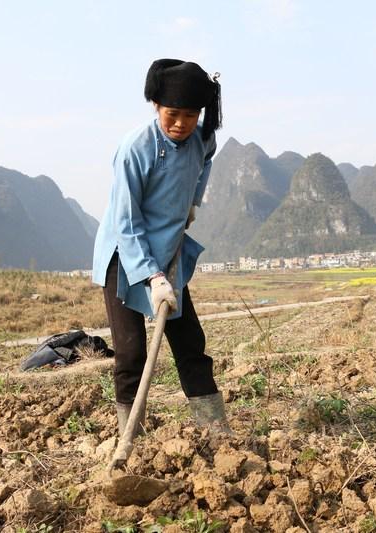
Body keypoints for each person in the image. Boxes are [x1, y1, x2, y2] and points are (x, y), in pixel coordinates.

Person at [92, 58, 229, 435]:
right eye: (173, 114)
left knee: (191, 345)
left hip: (168, 250)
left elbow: (205, 164)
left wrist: (192, 204)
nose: (181, 123)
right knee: (132, 353)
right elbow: (125, 222)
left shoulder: (203, 138)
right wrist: (152, 277)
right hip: (125, 257)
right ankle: (131, 437)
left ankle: (217, 432)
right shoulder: (136, 148)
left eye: (190, 114)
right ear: (156, 106)